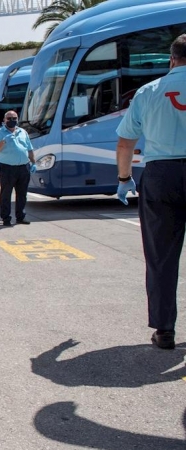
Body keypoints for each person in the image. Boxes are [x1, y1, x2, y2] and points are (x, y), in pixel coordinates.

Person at [116, 33, 186, 351]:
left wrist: (124, 178)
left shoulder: (148, 92)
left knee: (160, 256)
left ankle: (165, 329)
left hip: (161, 175)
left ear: (172, 59)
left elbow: (126, 141)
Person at [0, 110, 36, 226]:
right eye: (9, 118)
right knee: (6, 194)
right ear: (4, 120)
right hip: (7, 168)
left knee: (22, 194)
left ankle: (21, 216)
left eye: (14, 118)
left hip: (23, 167)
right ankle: (6, 218)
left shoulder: (23, 132)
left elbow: (29, 149)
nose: (12, 121)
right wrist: (4, 141)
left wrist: (33, 163)